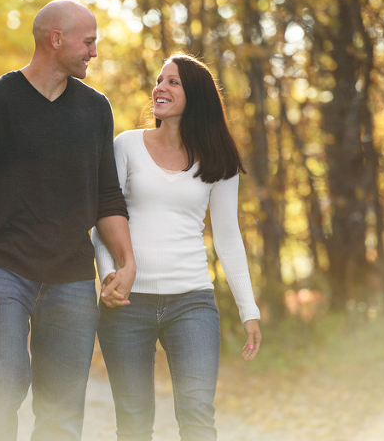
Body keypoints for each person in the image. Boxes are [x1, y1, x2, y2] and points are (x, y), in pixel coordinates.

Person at [0, 0, 136, 441]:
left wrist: (127, 262)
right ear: (56, 39)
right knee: (3, 385)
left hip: (71, 278)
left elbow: (108, 195)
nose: (94, 52)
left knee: (62, 408)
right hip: (1, 272)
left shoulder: (95, 109)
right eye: (88, 42)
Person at [93, 53, 262, 441]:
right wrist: (110, 276)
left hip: (192, 301)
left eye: (173, 82)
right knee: (134, 423)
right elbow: (103, 218)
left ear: (195, 96)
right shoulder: (127, 145)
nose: (160, 88)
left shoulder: (219, 160)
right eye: (158, 80)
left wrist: (248, 307)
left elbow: (228, 236)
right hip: (128, 304)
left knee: (198, 415)